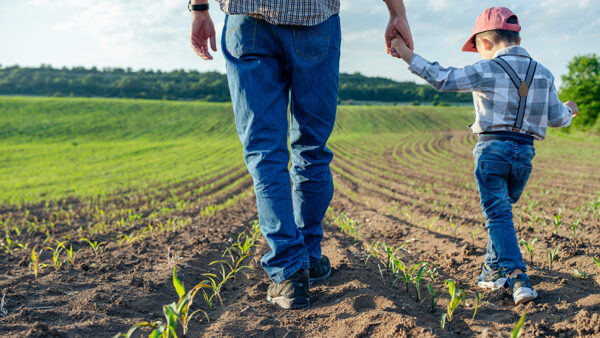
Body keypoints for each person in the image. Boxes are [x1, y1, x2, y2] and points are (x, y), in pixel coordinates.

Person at [189, 0, 413, 309]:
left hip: (248, 21)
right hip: (313, 21)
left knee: (265, 152)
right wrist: (396, 12)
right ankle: (307, 255)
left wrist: (199, 8)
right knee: (311, 148)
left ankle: (290, 273)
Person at [389, 7, 578, 305]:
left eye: (476, 49)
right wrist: (570, 109)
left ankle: (518, 278)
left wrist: (405, 53)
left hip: (492, 151)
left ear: (485, 43)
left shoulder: (487, 68)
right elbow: (558, 118)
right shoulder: (544, 73)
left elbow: (442, 79)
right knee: (501, 213)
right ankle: (491, 272)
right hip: (525, 155)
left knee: (498, 215)